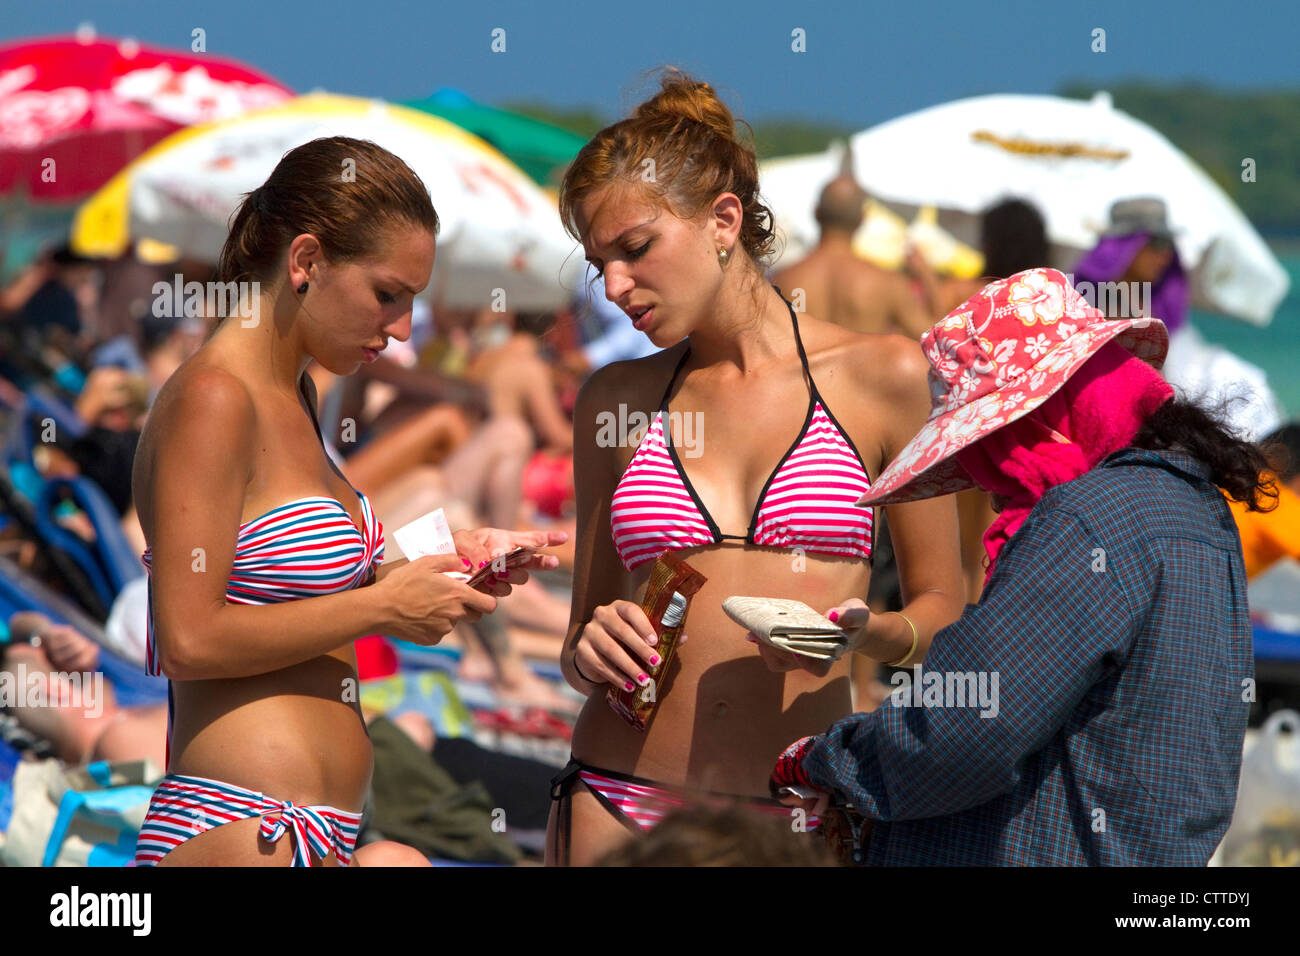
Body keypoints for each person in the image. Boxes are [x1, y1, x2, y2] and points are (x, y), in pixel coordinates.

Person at [546, 70, 964, 866]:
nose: (615, 287)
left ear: (723, 220)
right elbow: (580, 640)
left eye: (635, 250)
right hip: (618, 797)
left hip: (795, 817)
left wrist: (863, 632)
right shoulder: (616, 398)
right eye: (600, 263)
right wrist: (589, 646)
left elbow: (946, 612)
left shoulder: (886, 379)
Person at [130, 136, 565, 867]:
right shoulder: (214, 397)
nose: (400, 332)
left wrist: (446, 555)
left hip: (316, 831)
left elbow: (303, 583)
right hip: (240, 832)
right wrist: (383, 610)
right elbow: (187, 640)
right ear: (305, 262)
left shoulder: (292, 393)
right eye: (387, 295)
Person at [766, 267, 1274, 865]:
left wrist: (830, 760)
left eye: (995, 455)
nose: (993, 487)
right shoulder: (1196, 511)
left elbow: (971, 725)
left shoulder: (1091, 518)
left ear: (1047, 420)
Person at [770, 174, 932, 338]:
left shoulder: (781, 281)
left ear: (816, 213)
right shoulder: (887, 283)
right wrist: (926, 275)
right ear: (862, 219)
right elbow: (934, 343)